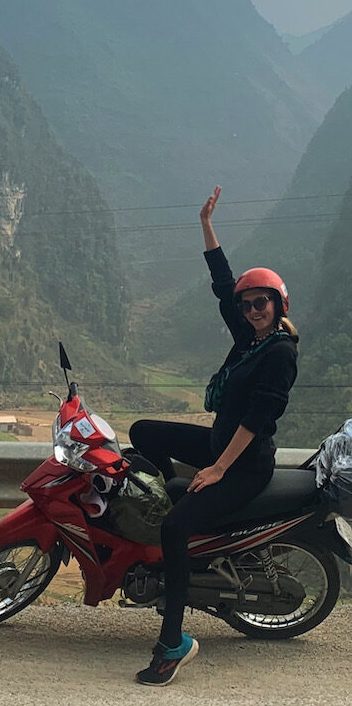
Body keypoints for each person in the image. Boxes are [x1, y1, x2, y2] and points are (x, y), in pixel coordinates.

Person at [130, 186, 298, 686]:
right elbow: (223, 284)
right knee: (142, 433)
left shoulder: (279, 352)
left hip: (243, 464)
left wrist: (220, 467)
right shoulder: (251, 338)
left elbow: (260, 419)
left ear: (278, 302)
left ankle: (172, 642)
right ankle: (170, 492)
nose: (251, 309)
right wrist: (206, 224)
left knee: (175, 529)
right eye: (248, 304)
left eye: (261, 302)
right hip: (218, 446)